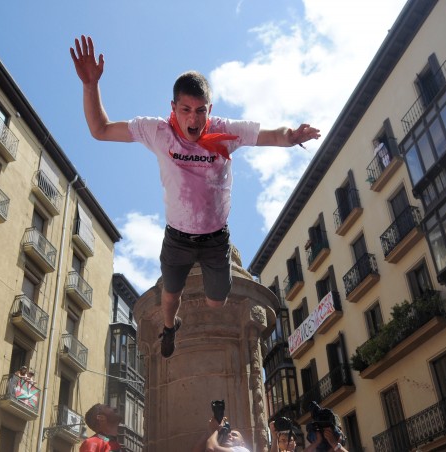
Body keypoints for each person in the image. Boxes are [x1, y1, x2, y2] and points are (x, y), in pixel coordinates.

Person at [70, 35, 321, 358]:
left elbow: (272, 134)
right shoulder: (157, 131)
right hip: (178, 237)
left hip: (216, 239)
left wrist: (291, 137)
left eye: (200, 111)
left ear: (210, 110)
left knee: (217, 299)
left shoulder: (225, 130)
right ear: (173, 108)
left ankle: (203, 296)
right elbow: (100, 130)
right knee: (170, 296)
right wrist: (91, 85)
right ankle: (170, 327)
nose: (193, 119)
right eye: (186, 110)